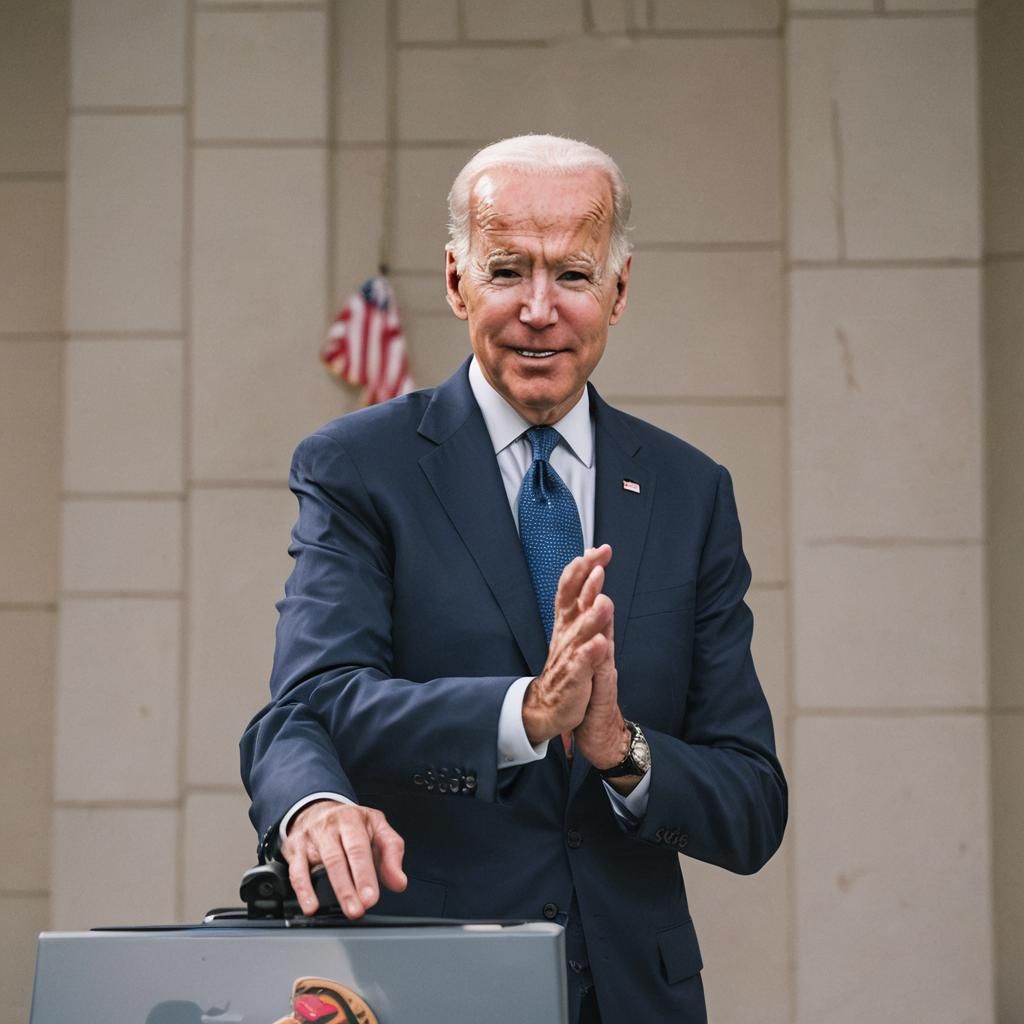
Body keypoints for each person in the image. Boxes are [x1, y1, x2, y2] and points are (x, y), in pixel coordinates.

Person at [240, 134, 787, 1023]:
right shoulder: (360, 467)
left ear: (619, 289)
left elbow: (753, 807)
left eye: (572, 274)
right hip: (426, 992)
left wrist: (620, 751)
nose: (540, 309)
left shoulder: (692, 493)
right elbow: (313, 703)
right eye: (507, 270)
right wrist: (525, 711)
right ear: (455, 281)